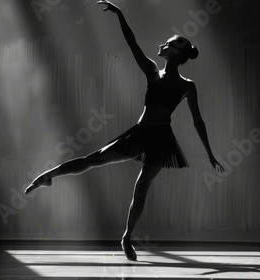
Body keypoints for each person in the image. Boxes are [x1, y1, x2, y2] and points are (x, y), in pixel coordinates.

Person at [24, 0, 225, 261]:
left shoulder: (187, 85)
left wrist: (209, 153)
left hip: (162, 140)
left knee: (141, 187)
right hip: (140, 133)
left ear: (176, 53)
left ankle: (127, 237)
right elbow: (133, 44)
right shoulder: (153, 72)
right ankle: (49, 175)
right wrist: (120, 15)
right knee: (94, 159)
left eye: (168, 43)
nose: (162, 45)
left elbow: (198, 121)